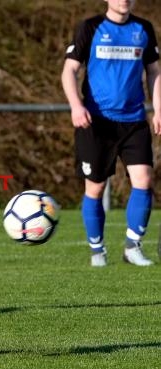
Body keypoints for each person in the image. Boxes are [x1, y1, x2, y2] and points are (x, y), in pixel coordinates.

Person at [61, 0, 161, 267]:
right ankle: (97, 251)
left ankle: (133, 246)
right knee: (95, 187)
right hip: (96, 121)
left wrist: (158, 109)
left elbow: (154, 71)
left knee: (144, 180)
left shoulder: (144, 28)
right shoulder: (90, 27)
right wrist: (76, 106)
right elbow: (69, 70)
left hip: (134, 120)